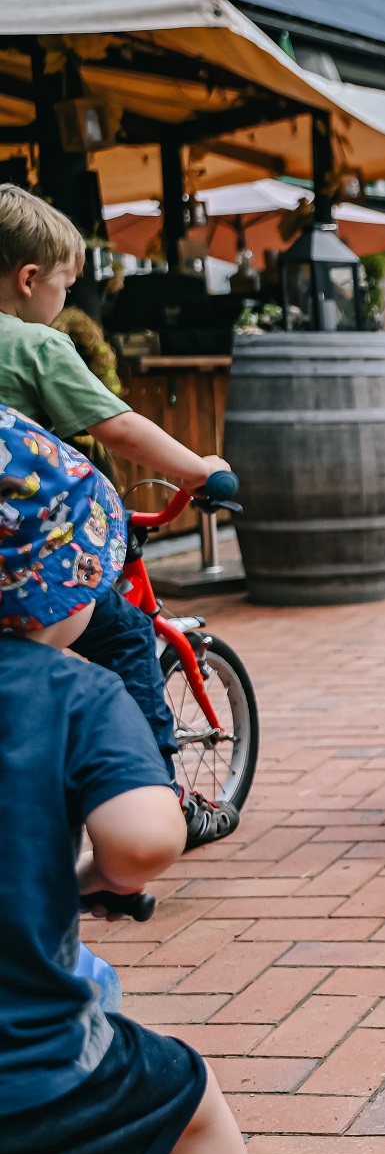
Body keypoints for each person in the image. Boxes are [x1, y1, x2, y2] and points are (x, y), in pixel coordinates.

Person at [0, 408, 255, 1154]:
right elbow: (142, 841)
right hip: (27, 1075)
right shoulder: (73, 691)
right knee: (191, 1103)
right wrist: (100, 872)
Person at [0, 184, 237, 849]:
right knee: (126, 633)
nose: (65, 302)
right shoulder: (35, 346)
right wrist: (200, 467)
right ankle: (159, 796)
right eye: (66, 288)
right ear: (28, 279)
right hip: (23, 560)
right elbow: (119, 426)